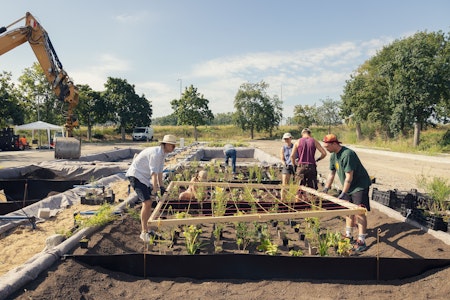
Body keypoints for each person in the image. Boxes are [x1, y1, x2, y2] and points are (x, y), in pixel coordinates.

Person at [321, 133, 372, 253]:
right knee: (348, 211)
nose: (326, 148)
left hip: (359, 185)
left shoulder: (348, 154)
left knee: (359, 211)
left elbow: (349, 176)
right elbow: (332, 173)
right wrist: (326, 188)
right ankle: (349, 234)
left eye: (327, 146)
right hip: (348, 186)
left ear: (334, 144)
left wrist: (344, 193)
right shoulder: (334, 156)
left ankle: (361, 240)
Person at [126, 134, 177, 242]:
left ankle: (148, 230)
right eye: (172, 145)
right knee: (147, 202)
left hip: (143, 178)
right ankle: (144, 232)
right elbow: (153, 174)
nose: (174, 148)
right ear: (166, 144)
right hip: (136, 176)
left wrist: (162, 187)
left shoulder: (162, 154)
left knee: (148, 203)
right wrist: (155, 190)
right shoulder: (155, 154)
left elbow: (159, 172)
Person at [280, 133, 295, 200]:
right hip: (287, 166)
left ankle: (295, 199)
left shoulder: (295, 146)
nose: (286, 140)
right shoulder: (283, 148)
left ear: (291, 138)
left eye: (287, 138)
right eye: (285, 139)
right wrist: (284, 164)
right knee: (285, 184)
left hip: (294, 165)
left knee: (296, 183)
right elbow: (282, 159)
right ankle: (282, 199)